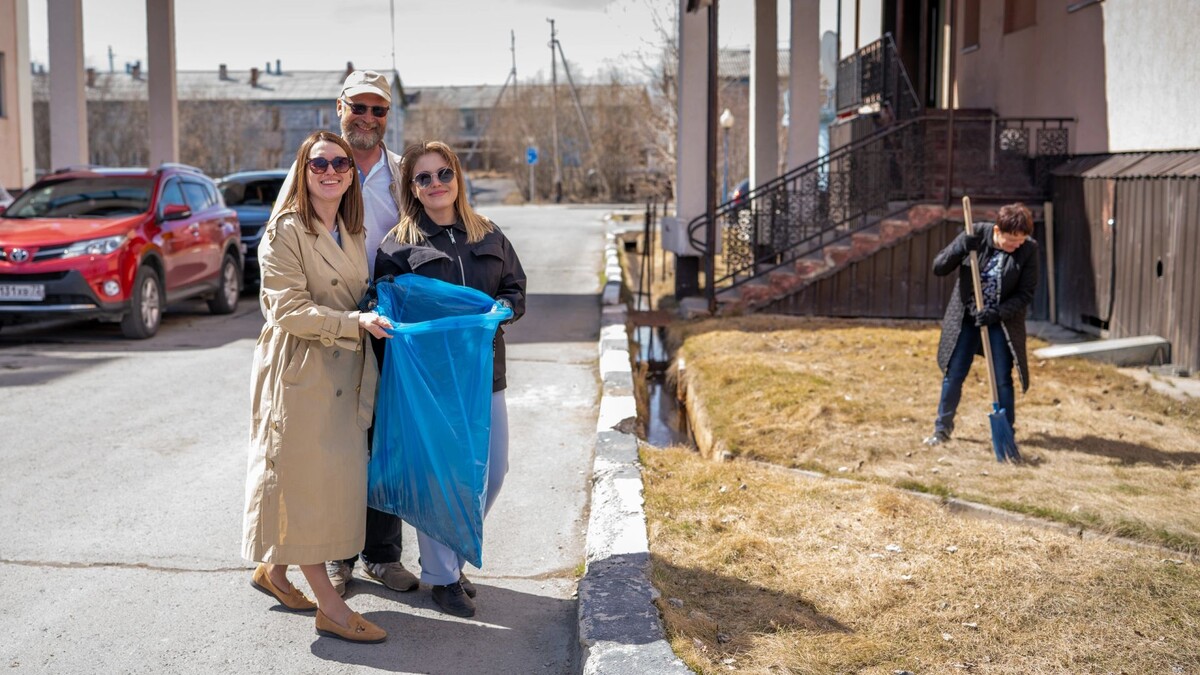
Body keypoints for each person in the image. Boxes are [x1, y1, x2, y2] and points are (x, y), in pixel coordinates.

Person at [242, 131, 394, 643]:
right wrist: (355, 323)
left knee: (328, 480)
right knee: (304, 484)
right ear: (303, 173)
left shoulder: (350, 229)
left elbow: (360, 292)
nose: (331, 171)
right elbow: (285, 310)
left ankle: (275, 571)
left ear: (353, 172)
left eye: (341, 163)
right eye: (319, 163)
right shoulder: (284, 231)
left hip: (344, 368)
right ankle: (330, 607)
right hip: (301, 370)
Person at [271, 69, 418, 597]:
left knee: (384, 440)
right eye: (360, 107)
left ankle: (383, 555)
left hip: (388, 319)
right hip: (330, 321)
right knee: (337, 445)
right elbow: (282, 253)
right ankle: (339, 558)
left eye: (379, 110)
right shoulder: (312, 167)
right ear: (340, 107)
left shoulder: (404, 175)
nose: (369, 119)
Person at [373, 140, 527, 618]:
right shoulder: (398, 244)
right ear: (412, 188)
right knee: (441, 480)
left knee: (492, 471)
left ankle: (448, 560)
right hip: (432, 382)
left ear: (457, 178)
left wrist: (502, 310)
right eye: (424, 177)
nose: (436, 184)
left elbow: (514, 289)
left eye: (444, 174)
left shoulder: (489, 233)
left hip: (485, 375)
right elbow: (383, 304)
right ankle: (442, 579)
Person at [924, 202, 1039, 446]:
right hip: (967, 317)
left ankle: (1006, 433)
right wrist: (960, 248)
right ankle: (941, 429)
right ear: (997, 230)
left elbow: (1025, 294)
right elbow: (939, 267)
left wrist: (996, 313)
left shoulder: (1028, 250)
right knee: (954, 374)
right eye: (1011, 240)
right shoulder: (975, 233)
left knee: (1002, 379)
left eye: (1020, 240)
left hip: (1001, 321)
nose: (1016, 245)